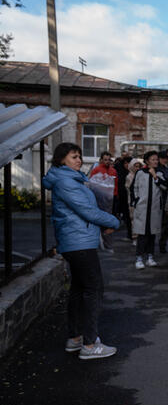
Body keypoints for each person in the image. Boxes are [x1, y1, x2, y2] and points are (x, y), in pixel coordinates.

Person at [43, 142, 120, 360]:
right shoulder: (66, 181)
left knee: (79, 289)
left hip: (77, 240)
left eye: (79, 156)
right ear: (61, 160)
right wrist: (113, 221)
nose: (79, 160)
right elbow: (86, 211)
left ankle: (75, 338)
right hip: (79, 242)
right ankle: (89, 344)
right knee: (93, 290)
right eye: (74, 157)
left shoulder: (69, 179)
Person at [130, 150, 167, 269]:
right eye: (153, 159)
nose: (156, 161)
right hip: (142, 207)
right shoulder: (140, 173)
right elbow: (133, 188)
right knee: (142, 234)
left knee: (152, 234)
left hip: (155, 209)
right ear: (147, 161)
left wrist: (155, 176)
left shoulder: (160, 173)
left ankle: (150, 257)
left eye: (157, 159)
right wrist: (135, 201)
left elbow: (165, 186)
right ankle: (139, 258)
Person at [89, 151, 118, 252]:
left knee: (108, 223)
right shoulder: (96, 170)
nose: (106, 162)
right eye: (104, 160)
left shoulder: (113, 171)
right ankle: (95, 243)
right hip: (98, 200)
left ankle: (108, 245)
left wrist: (115, 197)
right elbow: (91, 185)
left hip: (110, 201)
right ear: (101, 160)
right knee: (96, 222)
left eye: (108, 160)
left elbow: (116, 186)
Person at [157, 151, 168, 253]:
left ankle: (162, 244)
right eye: (163, 158)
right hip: (156, 199)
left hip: (166, 199)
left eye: (166, 158)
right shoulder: (154, 170)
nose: (165, 160)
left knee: (165, 225)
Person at [113, 156, 133, 240]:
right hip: (123, 199)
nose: (127, 165)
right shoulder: (121, 172)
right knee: (127, 217)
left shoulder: (134, 173)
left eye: (128, 163)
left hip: (132, 198)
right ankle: (130, 234)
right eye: (125, 163)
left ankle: (133, 235)